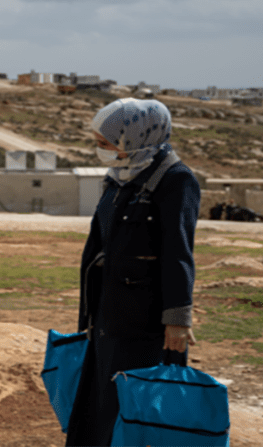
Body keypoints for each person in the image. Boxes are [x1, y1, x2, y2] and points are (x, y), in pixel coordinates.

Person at [66, 98, 200, 446]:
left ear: (134, 139)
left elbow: (178, 252)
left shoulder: (176, 181)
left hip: (144, 323)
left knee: (137, 407)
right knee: (101, 404)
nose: (101, 151)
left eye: (105, 144)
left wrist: (178, 318)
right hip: (107, 316)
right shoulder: (118, 179)